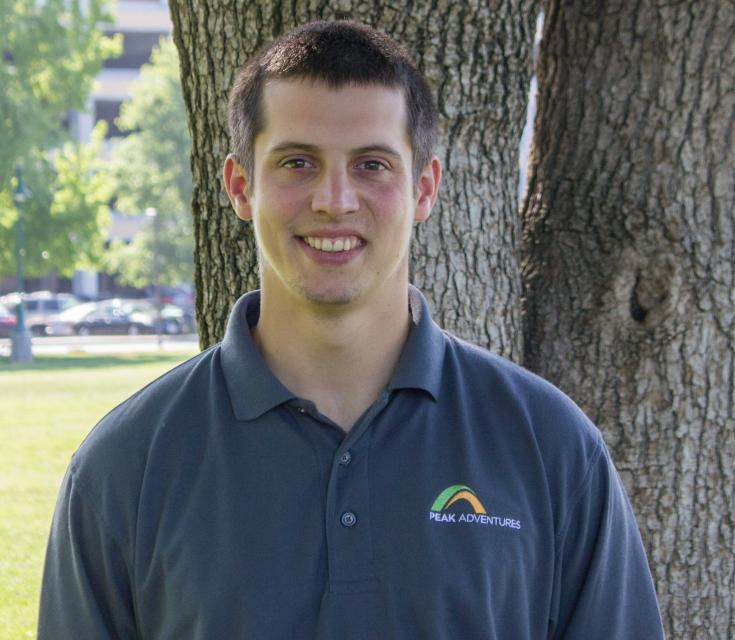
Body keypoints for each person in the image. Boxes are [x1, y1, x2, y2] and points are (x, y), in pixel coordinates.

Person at [38, 20, 664, 639]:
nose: (334, 199)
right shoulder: (127, 468)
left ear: (424, 188)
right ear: (240, 187)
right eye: (297, 163)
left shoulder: (550, 447)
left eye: (371, 164)